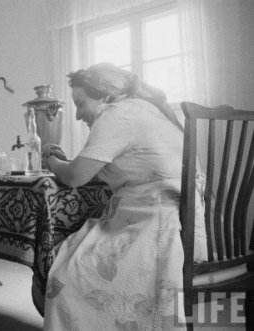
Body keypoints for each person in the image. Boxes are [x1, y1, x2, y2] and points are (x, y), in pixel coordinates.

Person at [37, 63, 207, 330]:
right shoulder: (146, 109)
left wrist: (51, 160)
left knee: (66, 275)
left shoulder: (117, 114)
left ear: (104, 95)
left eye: (80, 104)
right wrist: (67, 161)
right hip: (188, 221)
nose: (79, 115)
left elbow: (74, 178)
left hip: (157, 223)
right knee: (75, 251)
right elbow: (96, 168)